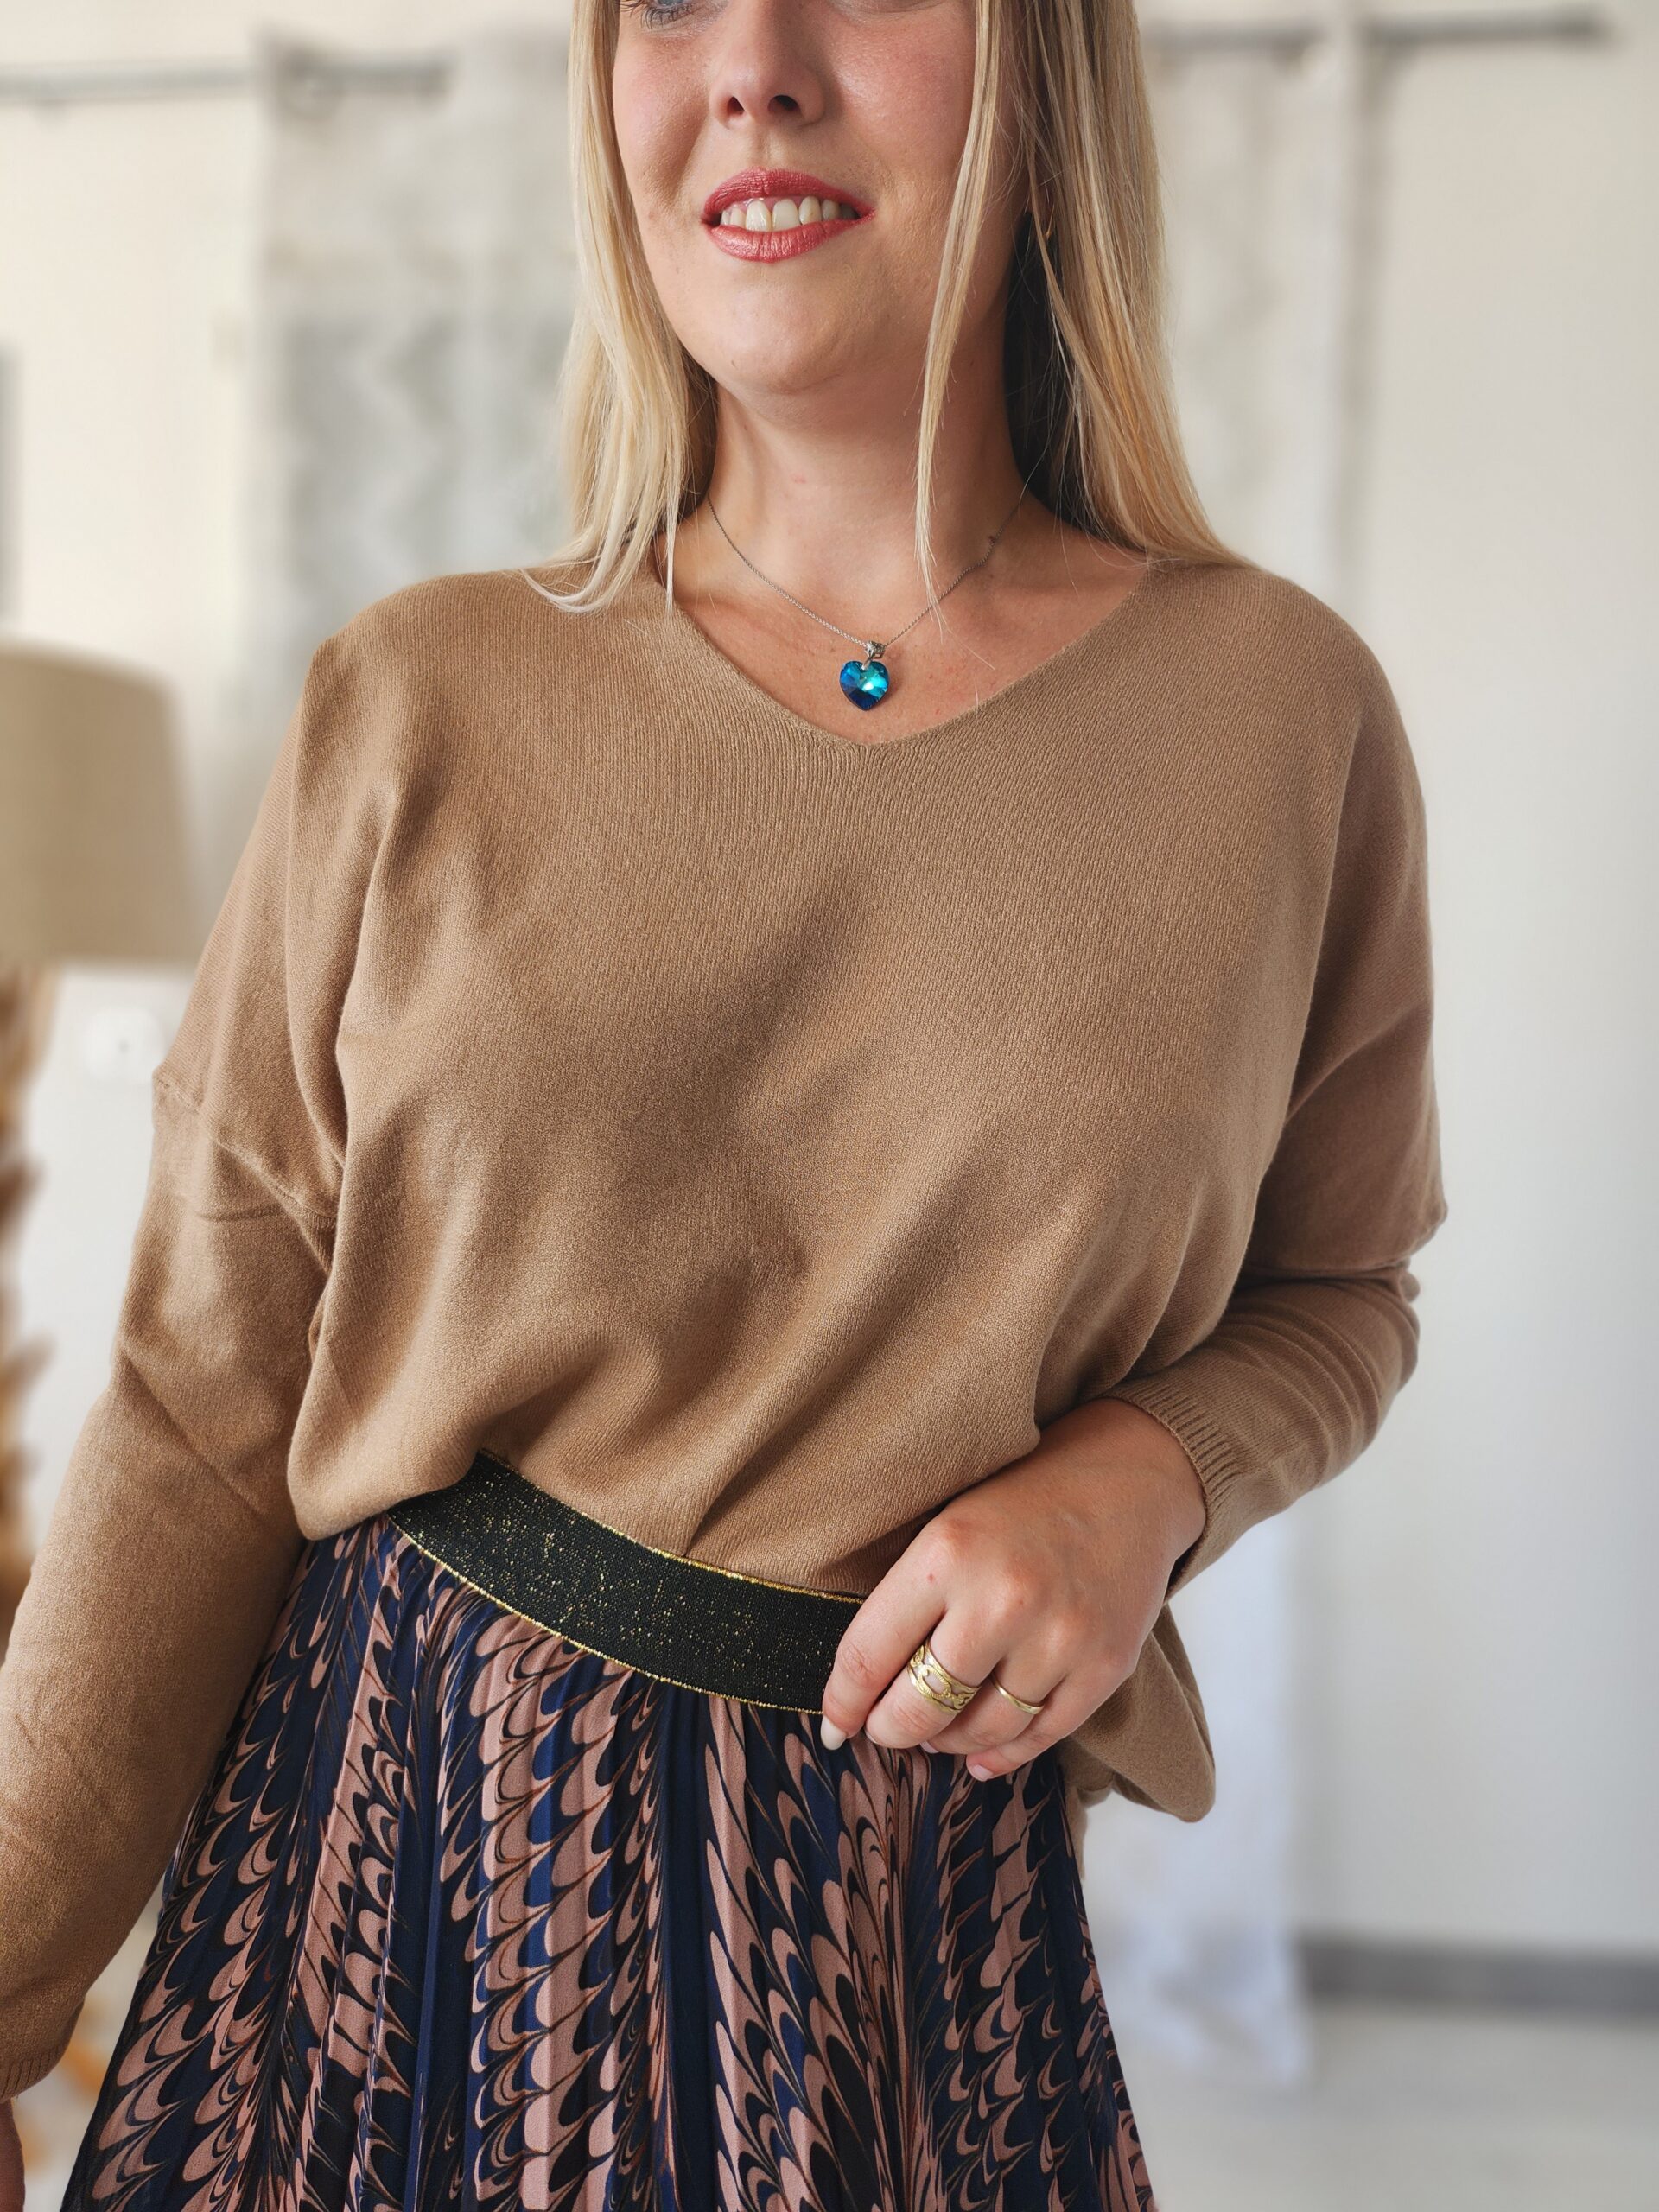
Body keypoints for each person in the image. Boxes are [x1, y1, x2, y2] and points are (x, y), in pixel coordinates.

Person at [0, 0, 1449, 2201]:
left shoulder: (1281, 718)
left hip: (907, 1955)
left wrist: (1142, 1478)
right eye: (668, 1)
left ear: (1045, 66)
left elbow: (1342, 1287)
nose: (750, 64)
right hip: (396, 1906)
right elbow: (203, 1406)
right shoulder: (417, 695)